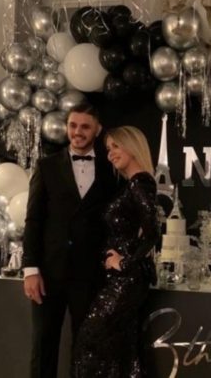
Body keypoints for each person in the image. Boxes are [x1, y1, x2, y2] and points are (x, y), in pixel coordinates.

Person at [23, 103, 119, 378]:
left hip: (91, 275)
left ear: (97, 130)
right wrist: (30, 269)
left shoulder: (111, 170)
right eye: (73, 125)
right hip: (49, 273)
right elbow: (34, 220)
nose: (77, 132)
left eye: (85, 127)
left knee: (86, 348)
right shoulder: (46, 166)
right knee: (43, 347)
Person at [72, 126, 159, 378]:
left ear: (132, 146)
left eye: (116, 146)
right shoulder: (132, 184)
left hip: (126, 281)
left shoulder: (141, 182)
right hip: (122, 280)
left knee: (90, 339)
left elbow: (153, 233)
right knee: (122, 350)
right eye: (108, 148)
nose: (110, 153)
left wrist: (125, 262)